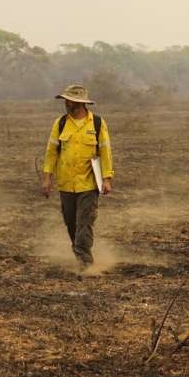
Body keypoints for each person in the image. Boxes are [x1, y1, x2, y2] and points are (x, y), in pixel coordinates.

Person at [41, 84, 113, 272]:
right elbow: (51, 152)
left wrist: (107, 178)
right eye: (66, 99)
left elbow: (105, 152)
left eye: (69, 99)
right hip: (65, 183)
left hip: (88, 183)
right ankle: (80, 253)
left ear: (79, 103)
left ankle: (85, 264)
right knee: (71, 223)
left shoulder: (97, 123)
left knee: (85, 222)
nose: (66, 102)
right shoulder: (60, 123)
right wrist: (47, 177)